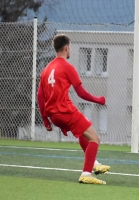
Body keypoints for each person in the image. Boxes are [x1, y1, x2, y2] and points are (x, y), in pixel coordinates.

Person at [37, 34, 110, 184]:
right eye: (69, 48)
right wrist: (98, 100)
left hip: (54, 116)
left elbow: (40, 96)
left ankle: (94, 164)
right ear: (66, 48)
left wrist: (46, 120)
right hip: (65, 112)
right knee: (95, 138)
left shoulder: (46, 69)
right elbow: (81, 93)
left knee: (83, 134)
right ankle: (86, 174)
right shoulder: (67, 67)